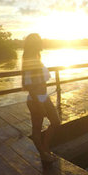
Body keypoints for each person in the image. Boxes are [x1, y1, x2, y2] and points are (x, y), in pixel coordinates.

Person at [22, 33, 60, 162]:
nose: (41, 43)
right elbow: (30, 87)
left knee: (56, 122)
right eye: (39, 41)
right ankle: (44, 155)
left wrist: (44, 100)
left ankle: (45, 148)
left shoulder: (37, 58)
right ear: (35, 44)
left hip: (44, 97)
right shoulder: (30, 61)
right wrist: (39, 104)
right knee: (37, 129)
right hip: (35, 100)